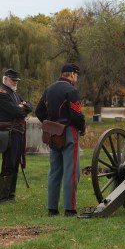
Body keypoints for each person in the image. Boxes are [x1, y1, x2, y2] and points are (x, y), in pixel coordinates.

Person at [35, 63, 86, 216]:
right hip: (69, 132)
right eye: (76, 75)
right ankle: (70, 209)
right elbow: (76, 115)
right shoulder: (71, 90)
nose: (76, 78)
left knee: (55, 171)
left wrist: (50, 123)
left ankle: (52, 208)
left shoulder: (49, 89)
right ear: (72, 74)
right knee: (72, 172)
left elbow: (39, 111)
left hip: (53, 133)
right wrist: (82, 127)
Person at [0, 68, 33, 203]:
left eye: (16, 80)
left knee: (15, 163)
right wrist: (22, 108)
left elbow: (29, 105)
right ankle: (3, 197)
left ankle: (11, 195)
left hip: (17, 132)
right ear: (5, 79)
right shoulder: (2, 94)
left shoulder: (14, 94)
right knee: (8, 164)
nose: (15, 82)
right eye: (13, 80)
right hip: (8, 133)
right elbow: (17, 111)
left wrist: (24, 107)